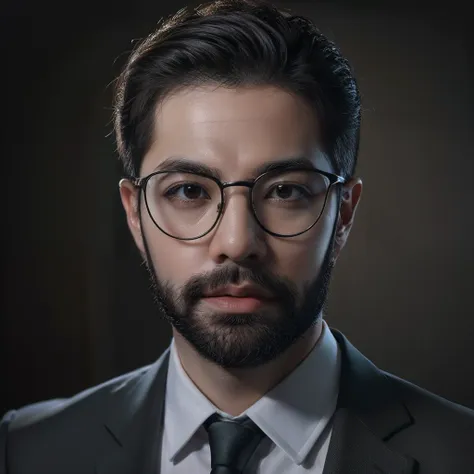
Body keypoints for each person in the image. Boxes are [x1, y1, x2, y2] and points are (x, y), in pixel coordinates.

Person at [2, 0, 473, 473]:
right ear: (134, 213)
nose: (236, 241)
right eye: (188, 191)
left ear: (344, 212)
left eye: (285, 191)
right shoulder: (23, 451)